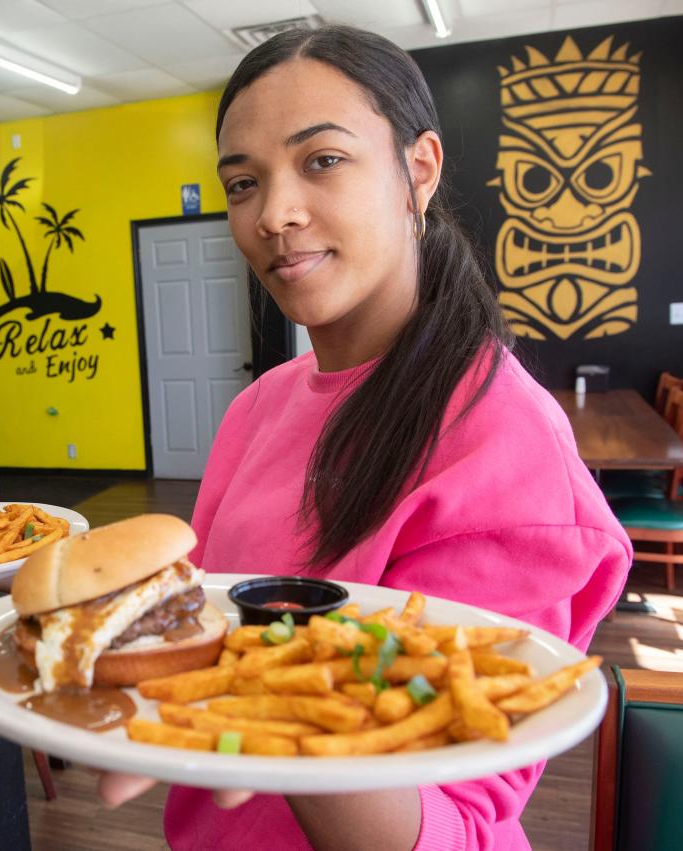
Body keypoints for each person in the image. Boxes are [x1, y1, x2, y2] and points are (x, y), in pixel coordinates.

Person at [99, 25, 632, 850]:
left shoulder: (507, 449)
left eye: (322, 160)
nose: (274, 214)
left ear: (419, 167)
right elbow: (205, 628)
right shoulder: (260, 405)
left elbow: (459, 823)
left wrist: (299, 732)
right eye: (243, 183)